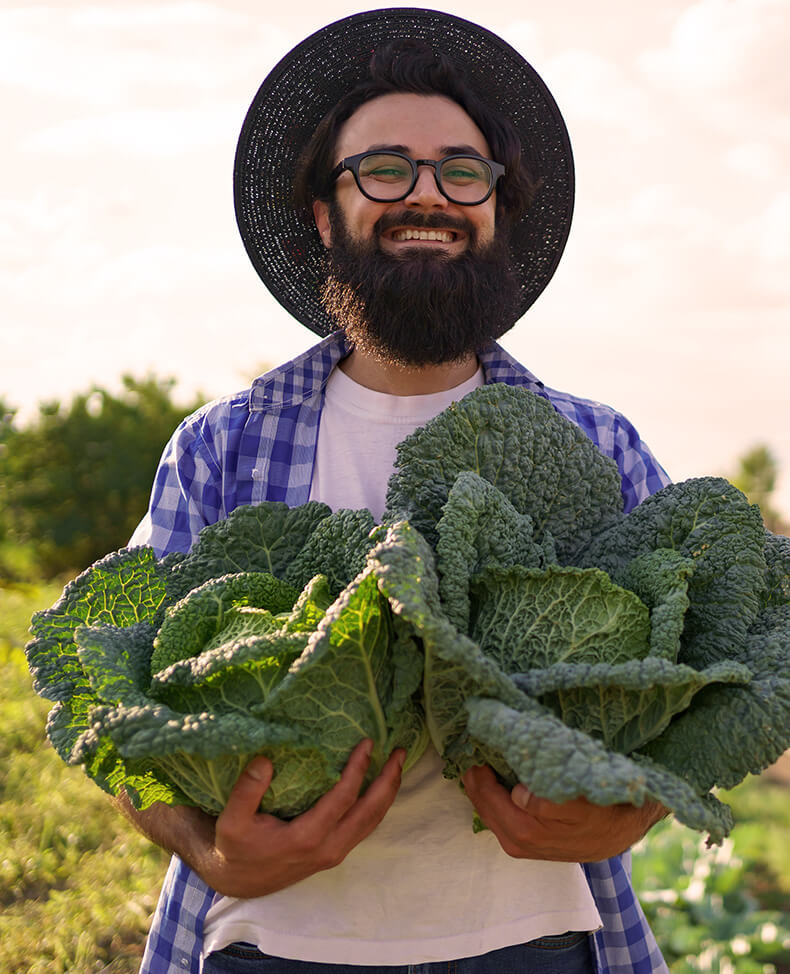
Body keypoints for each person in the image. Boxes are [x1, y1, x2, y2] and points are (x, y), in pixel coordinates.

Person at [125, 10, 671, 973]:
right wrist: (206, 847)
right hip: (268, 943)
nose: (429, 196)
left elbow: (714, 679)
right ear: (323, 212)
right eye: (385, 169)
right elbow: (113, 709)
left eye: (463, 172)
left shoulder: (598, 445)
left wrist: (631, 813)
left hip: (536, 942)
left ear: (498, 211)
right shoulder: (222, 448)